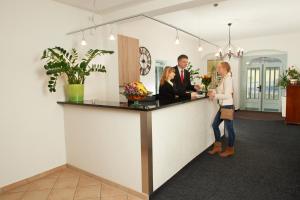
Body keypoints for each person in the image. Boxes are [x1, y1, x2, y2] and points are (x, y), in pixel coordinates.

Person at [207, 61, 236, 157]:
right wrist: (212, 91)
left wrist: (214, 96)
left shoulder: (228, 79)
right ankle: (218, 146)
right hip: (223, 106)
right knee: (215, 125)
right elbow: (219, 89)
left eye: (219, 68)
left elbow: (227, 95)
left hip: (227, 106)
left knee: (229, 129)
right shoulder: (224, 78)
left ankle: (230, 149)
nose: (218, 70)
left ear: (224, 68)